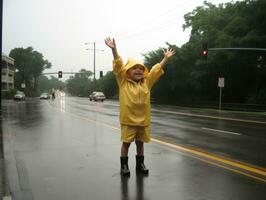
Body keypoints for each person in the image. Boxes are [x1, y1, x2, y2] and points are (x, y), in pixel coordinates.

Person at [105, 37, 175, 176]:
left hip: (143, 120)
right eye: (134, 68)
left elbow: (156, 70)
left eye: (140, 69)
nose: (138, 71)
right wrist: (114, 50)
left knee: (140, 143)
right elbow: (118, 66)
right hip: (128, 120)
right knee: (126, 143)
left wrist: (165, 59)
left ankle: (140, 164)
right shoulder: (123, 82)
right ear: (128, 71)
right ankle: (124, 166)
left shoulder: (146, 82)